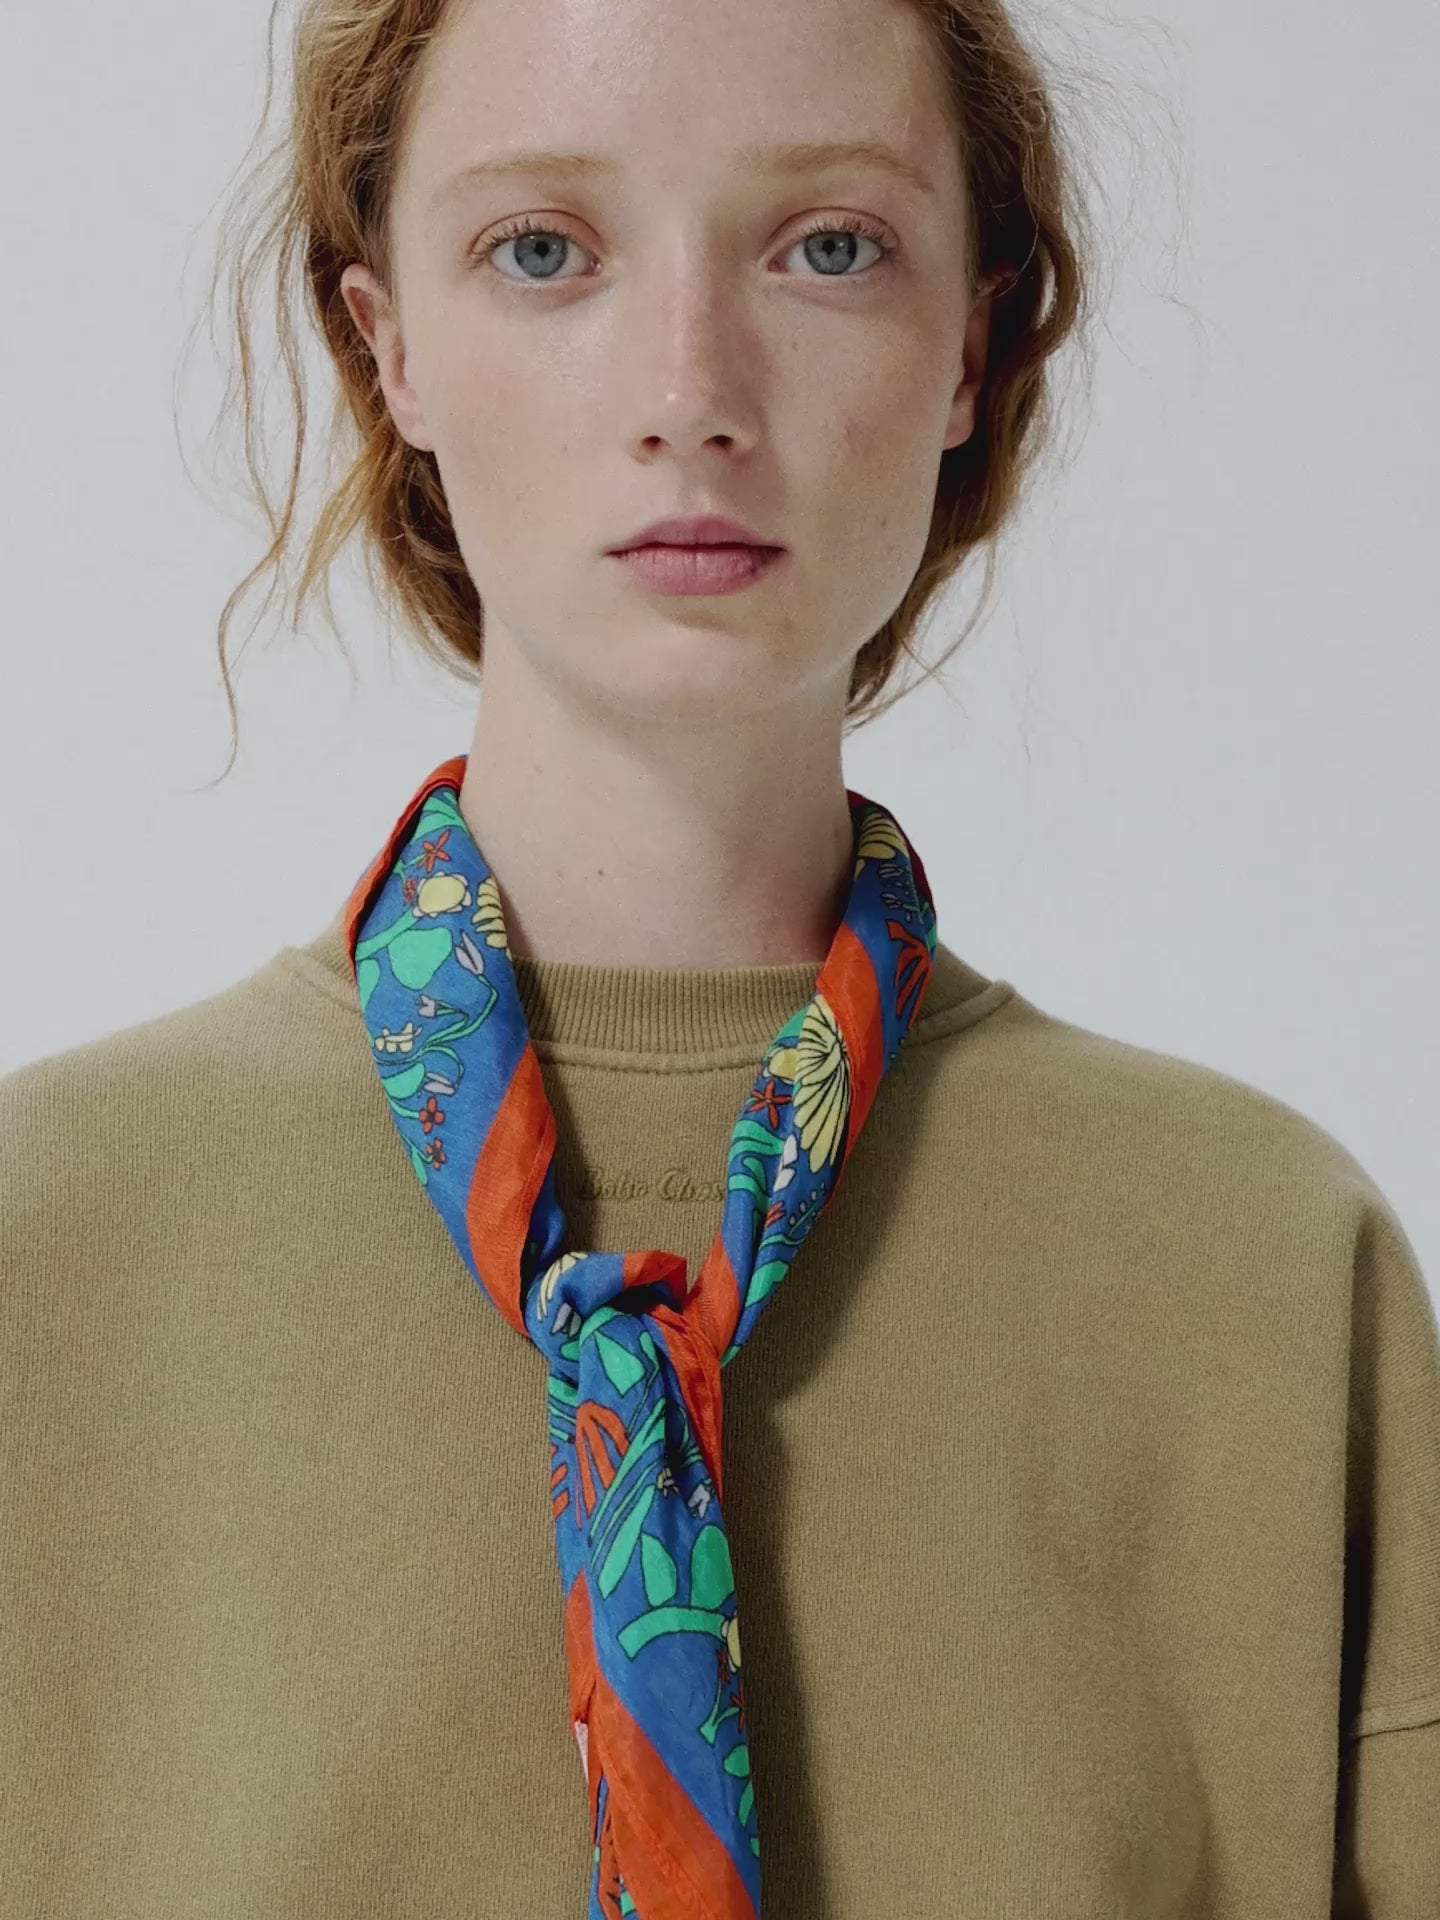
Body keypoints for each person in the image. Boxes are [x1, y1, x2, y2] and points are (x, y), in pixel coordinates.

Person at [3, 0, 1436, 1914]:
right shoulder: (40, 1261)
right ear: (389, 343)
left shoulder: (1267, 1284)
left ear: (973, 343)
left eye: (828, 246)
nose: (689, 388)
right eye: (544, 250)